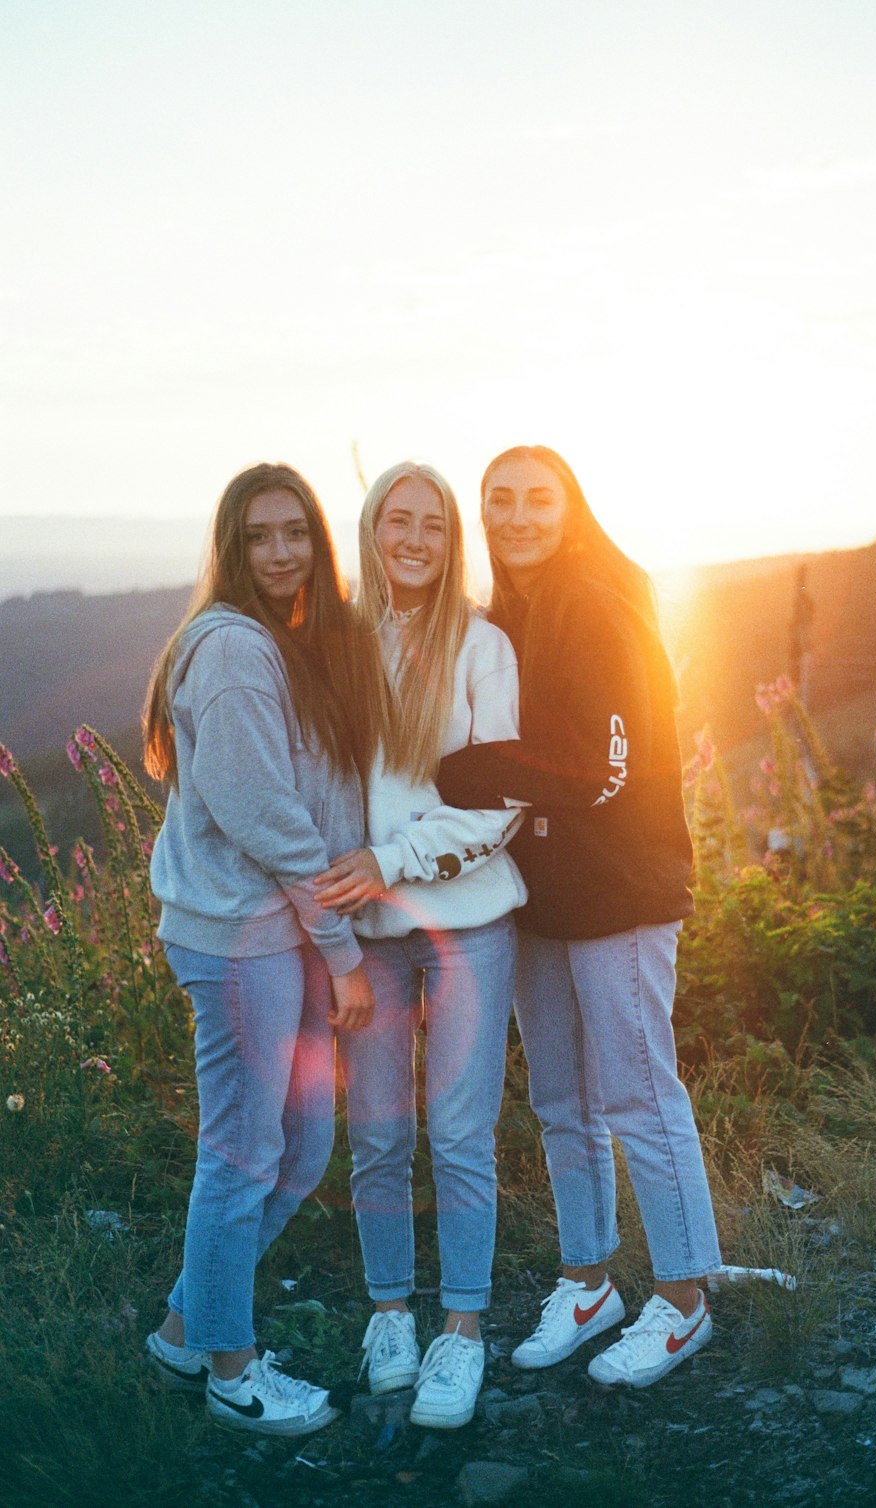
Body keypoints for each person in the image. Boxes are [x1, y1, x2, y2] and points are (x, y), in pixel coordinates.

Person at [437, 445, 721, 1389]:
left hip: (621, 890)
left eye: (538, 500)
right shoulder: (514, 610)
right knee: (563, 1101)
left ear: (572, 509)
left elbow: (608, 768)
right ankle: (588, 1280)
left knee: (640, 1096)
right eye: (500, 501)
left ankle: (684, 1302)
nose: (517, 517)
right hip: (543, 892)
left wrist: (480, 772)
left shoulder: (597, 595)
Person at [142, 462, 384, 1437]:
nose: (281, 553)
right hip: (244, 941)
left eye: (296, 534)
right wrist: (343, 948)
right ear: (232, 548)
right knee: (245, 1155)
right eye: (259, 536)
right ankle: (233, 1372)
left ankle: (181, 1333)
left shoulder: (279, 642)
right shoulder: (237, 650)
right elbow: (268, 819)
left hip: (266, 937)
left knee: (298, 1146)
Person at [313, 461, 525, 1429]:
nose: (413, 537)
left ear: (450, 542)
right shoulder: (328, 647)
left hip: (468, 921)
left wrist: (390, 856)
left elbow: (501, 800)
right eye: (396, 519)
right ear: (369, 528)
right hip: (367, 934)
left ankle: (462, 1331)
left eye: (432, 524)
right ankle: (390, 1312)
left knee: (457, 1132)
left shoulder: (481, 645)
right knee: (381, 1134)